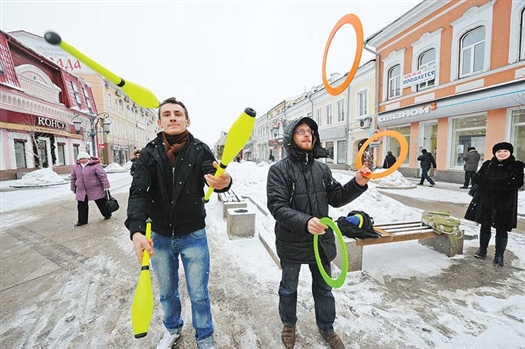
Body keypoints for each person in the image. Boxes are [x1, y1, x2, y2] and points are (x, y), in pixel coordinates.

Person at [125, 97, 231, 349]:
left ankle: (205, 337)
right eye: (167, 114)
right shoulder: (149, 152)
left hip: (193, 235)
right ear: (159, 121)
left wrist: (223, 181)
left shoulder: (200, 149)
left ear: (187, 120)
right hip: (159, 237)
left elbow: (214, 173)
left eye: (178, 114)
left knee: (199, 294)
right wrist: (136, 231)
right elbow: (138, 192)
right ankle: (172, 329)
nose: (173, 117)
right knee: (167, 293)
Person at [266, 117, 372, 349]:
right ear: (290, 137)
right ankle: (289, 325)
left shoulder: (322, 169)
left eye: (310, 132)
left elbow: (335, 198)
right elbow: (277, 206)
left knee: (324, 288)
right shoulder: (278, 170)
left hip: (320, 241)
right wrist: (305, 222)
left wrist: (358, 182)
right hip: (292, 241)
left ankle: (327, 328)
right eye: (300, 131)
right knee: (288, 288)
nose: (307, 135)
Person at [470, 142, 524, 266]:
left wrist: (490, 183)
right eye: (499, 151)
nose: (502, 153)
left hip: (505, 204)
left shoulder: (517, 166)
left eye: (505, 151)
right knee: (485, 226)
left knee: (502, 229)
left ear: (510, 152)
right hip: (487, 201)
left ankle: (499, 256)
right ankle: (482, 250)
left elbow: (516, 182)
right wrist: (496, 183)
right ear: (495, 153)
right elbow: (476, 178)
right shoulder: (488, 164)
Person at [70, 151, 111, 227]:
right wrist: (73, 188)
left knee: (101, 202)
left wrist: (106, 186)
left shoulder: (95, 165)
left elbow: (102, 176)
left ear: (88, 158)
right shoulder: (76, 166)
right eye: (80, 159)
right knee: (81, 205)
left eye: (84, 158)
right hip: (81, 189)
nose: (82, 160)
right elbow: (73, 178)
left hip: (95, 188)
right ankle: (82, 221)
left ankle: (107, 214)